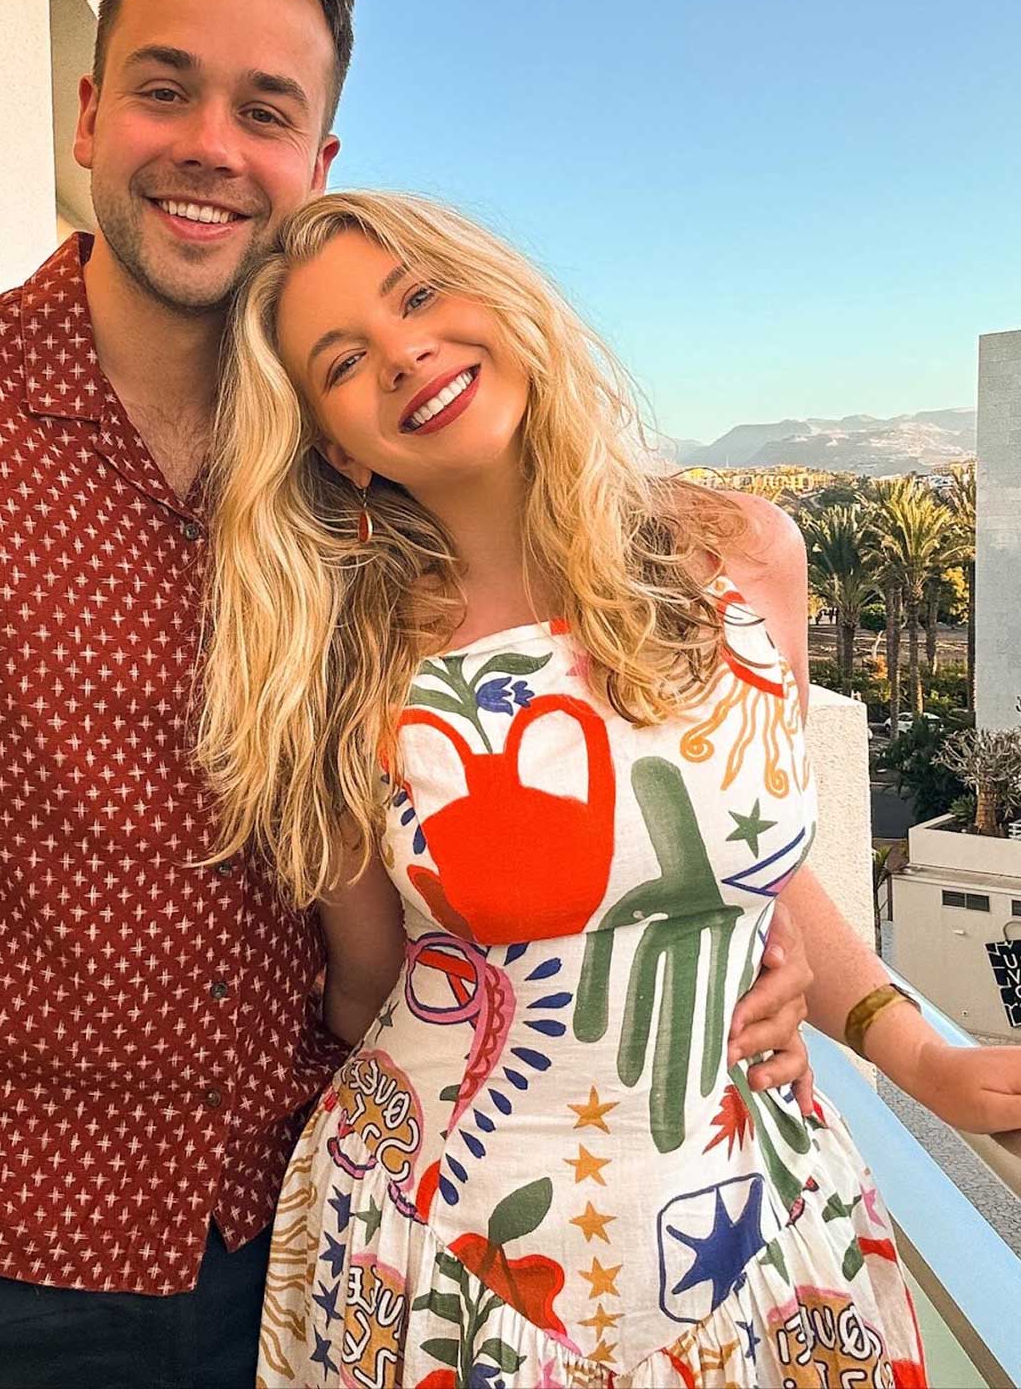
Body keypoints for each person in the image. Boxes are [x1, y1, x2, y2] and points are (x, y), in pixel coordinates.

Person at [0, 0, 811, 1389]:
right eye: (166, 89)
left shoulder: (378, 479)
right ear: (90, 115)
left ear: (316, 163)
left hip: (310, 1231)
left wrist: (751, 947)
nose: (212, 144)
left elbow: (620, 730)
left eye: (265, 110)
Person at [199, 189, 1021, 1389]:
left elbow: (762, 868)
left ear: (500, 296)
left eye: (421, 294)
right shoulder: (342, 666)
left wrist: (925, 1061)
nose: (404, 353)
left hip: (755, 1222)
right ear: (334, 445)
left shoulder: (746, 557)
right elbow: (370, 984)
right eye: (343, 362)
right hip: (449, 1265)